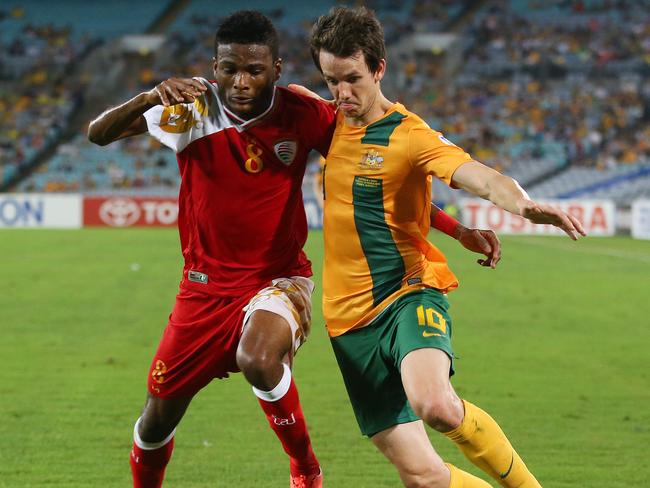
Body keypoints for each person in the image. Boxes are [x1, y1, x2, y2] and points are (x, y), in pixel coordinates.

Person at [86, 9, 498, 488]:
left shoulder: (304, 115)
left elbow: (375, 178)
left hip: (279, 280)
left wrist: (456, 229)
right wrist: (150, 95)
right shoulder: (190, 109)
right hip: (202, 288)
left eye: (254, 70)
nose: (241, 82)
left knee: (258, 358)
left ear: (276, 70)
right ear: (214, 66)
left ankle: (304, 465)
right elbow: (98, 134)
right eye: (229, 69)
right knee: (155, 419)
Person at [303, 6, 586, 488]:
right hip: (346, 320)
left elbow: (480, 176)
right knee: (423, 477)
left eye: (352, 79)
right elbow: (386, 204)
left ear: (378, 69)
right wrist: (458, 232)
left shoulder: (409, 135)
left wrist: (523, 205)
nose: (341, 93)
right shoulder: (327, 124)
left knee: (433, 403)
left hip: (405, 295)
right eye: (331, 81)